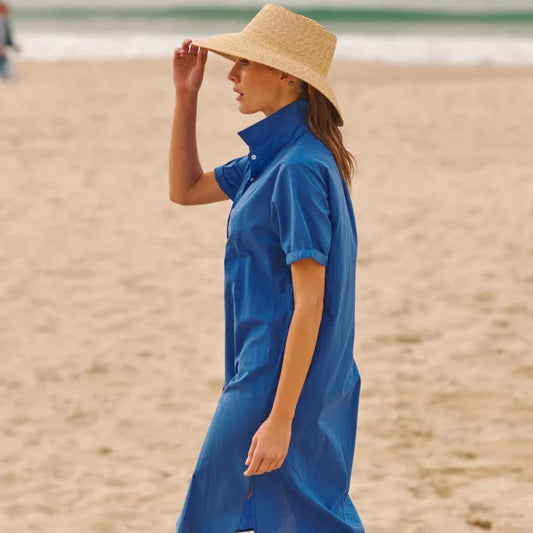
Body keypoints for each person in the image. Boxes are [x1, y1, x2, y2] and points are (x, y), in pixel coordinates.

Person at [169, 4, 364, 532]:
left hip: (275, 381)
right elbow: (185, 189)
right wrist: (185, 98)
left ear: (286, 75)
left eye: (245, 65)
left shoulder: (298, 168)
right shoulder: (271, 159)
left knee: (214, 517)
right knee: (301, 517)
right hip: (278, 373)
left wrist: (279, 420)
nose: (231, 76)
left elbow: (312, 301)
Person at [0, 1, 20, 81]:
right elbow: (3, 34)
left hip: (3, 44)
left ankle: (6, 76)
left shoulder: (3, 19)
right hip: (1, 44)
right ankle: (6, 76)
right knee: (4, 60)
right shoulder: (2, 19)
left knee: (4, 60)